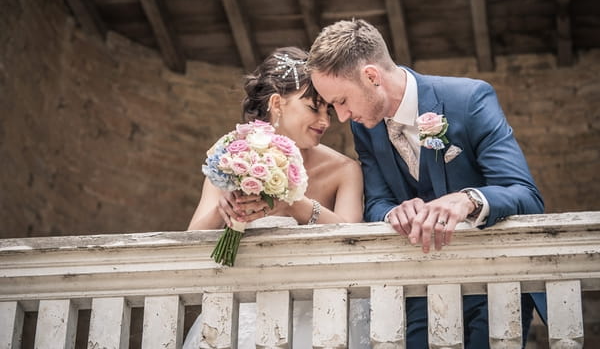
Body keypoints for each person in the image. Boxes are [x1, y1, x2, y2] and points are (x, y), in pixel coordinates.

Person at [305, 19, 545, 348]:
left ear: (372, 76)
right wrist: (393, 213)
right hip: (418, 288)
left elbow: (526, 196)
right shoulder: (365, 126)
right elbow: (375, 203)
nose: (342, 116)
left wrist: (468, 200)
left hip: (496, 283)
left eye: (342, 101)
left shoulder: (469, 99)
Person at [184, 46, 366, 349]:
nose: (325, 121)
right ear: (276, 103)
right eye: (313, 107)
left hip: (318, 315)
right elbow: (193, 238)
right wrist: (224, 206)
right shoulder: (233, 155)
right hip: (241, 313)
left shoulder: (345, 170)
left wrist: (297, 205)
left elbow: (353, 241)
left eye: (328, 110)